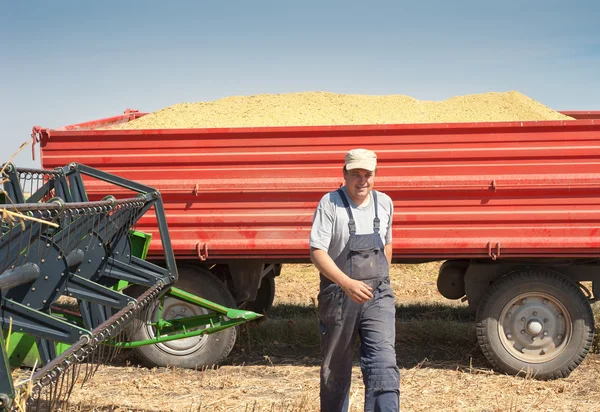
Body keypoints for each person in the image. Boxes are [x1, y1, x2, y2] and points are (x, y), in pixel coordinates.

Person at [310, 148, 399, 412]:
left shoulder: (385, 202)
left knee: (383, 364)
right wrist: (347, 284)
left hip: (377, 296)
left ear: (375, 175)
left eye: (368, 174)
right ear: (344, 174)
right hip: (339, 295)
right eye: (355, 174)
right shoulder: (330, 203)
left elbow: (387, 244)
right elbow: (317, 252)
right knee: (335, 370)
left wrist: (380, 280)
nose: (362, 181)